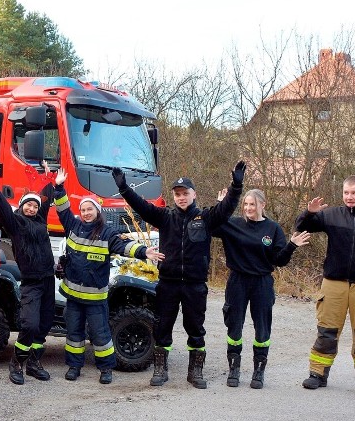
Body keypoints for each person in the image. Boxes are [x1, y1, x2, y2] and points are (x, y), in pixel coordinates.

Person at [112, 161, 245, 389]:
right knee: (162, 327)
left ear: (194, 194)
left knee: (195, 329)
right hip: (168, 284)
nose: (181, 197)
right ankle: (160, 370)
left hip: (195, 285)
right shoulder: (165, 218)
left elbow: (227, 208)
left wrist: (236, 186)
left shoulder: (206, 218)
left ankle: (196, 372)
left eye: (185, 193)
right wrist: (124, 188)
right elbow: (141, 207)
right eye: (177, 194)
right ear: (173, 197)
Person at [53, 167, 163, 384]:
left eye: (89, 209)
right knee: (73, 336)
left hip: (95, 299)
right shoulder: (73, 226)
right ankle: (74, 367)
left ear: (97, 211)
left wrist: (144, 251)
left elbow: (124, 247)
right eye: (83, 209)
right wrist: (59, 187)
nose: (85, 213)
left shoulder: (107, 233)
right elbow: (63, 209)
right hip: (74, 298)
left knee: (101, 336)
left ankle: (106, 369)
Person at [296, 175, 355, 399]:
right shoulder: (330, 215)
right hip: (334, 284)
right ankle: (317, 374)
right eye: (346, 192)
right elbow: (302, 227)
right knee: (327, 331)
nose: (350, 197)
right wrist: (309, 212)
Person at [212, 188, 310, 389]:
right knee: (234, 325)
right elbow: (211, 226)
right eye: (246, 204)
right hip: (237, 281)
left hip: (262, 282)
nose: (248, 208)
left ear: (263, 205)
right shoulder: (232, 223)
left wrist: (291, 245)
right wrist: (221, 207)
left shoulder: (273, 229)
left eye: (253, 204)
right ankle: (234, 368)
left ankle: (258, 371)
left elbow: (279, 260)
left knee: (262, 327)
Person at [0, 161, 55, 385]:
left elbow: (46, 202)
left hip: (48, 279)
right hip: (31, 282)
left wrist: (51, 181)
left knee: (44, 324)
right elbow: (2, 207)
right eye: (28, 205)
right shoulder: (16, 223)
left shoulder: (41, 220)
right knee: (30, 324)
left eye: (34, 206)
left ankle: (33, 362)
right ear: (21, 207)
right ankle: (17, 363)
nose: (32, 208)